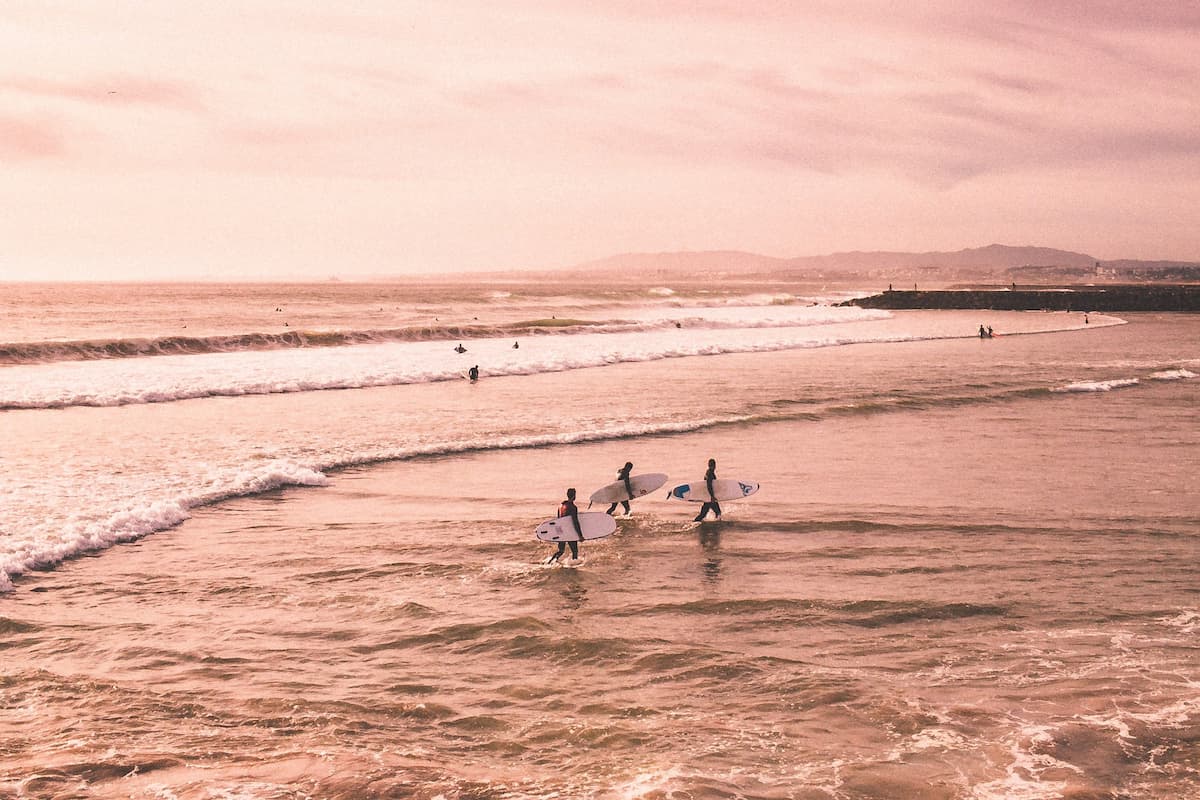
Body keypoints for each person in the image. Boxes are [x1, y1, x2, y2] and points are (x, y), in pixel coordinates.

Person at [546, 488, 583, 564]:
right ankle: (573, 569)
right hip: (569, 532)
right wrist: (580, 536)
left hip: (561, 531)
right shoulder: (573, 507)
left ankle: (549, 563)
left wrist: (558, 533)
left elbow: (558, 520)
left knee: (561, 551)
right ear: (574, 495)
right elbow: (575, 522)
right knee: (575, 552)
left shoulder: (561, 506)